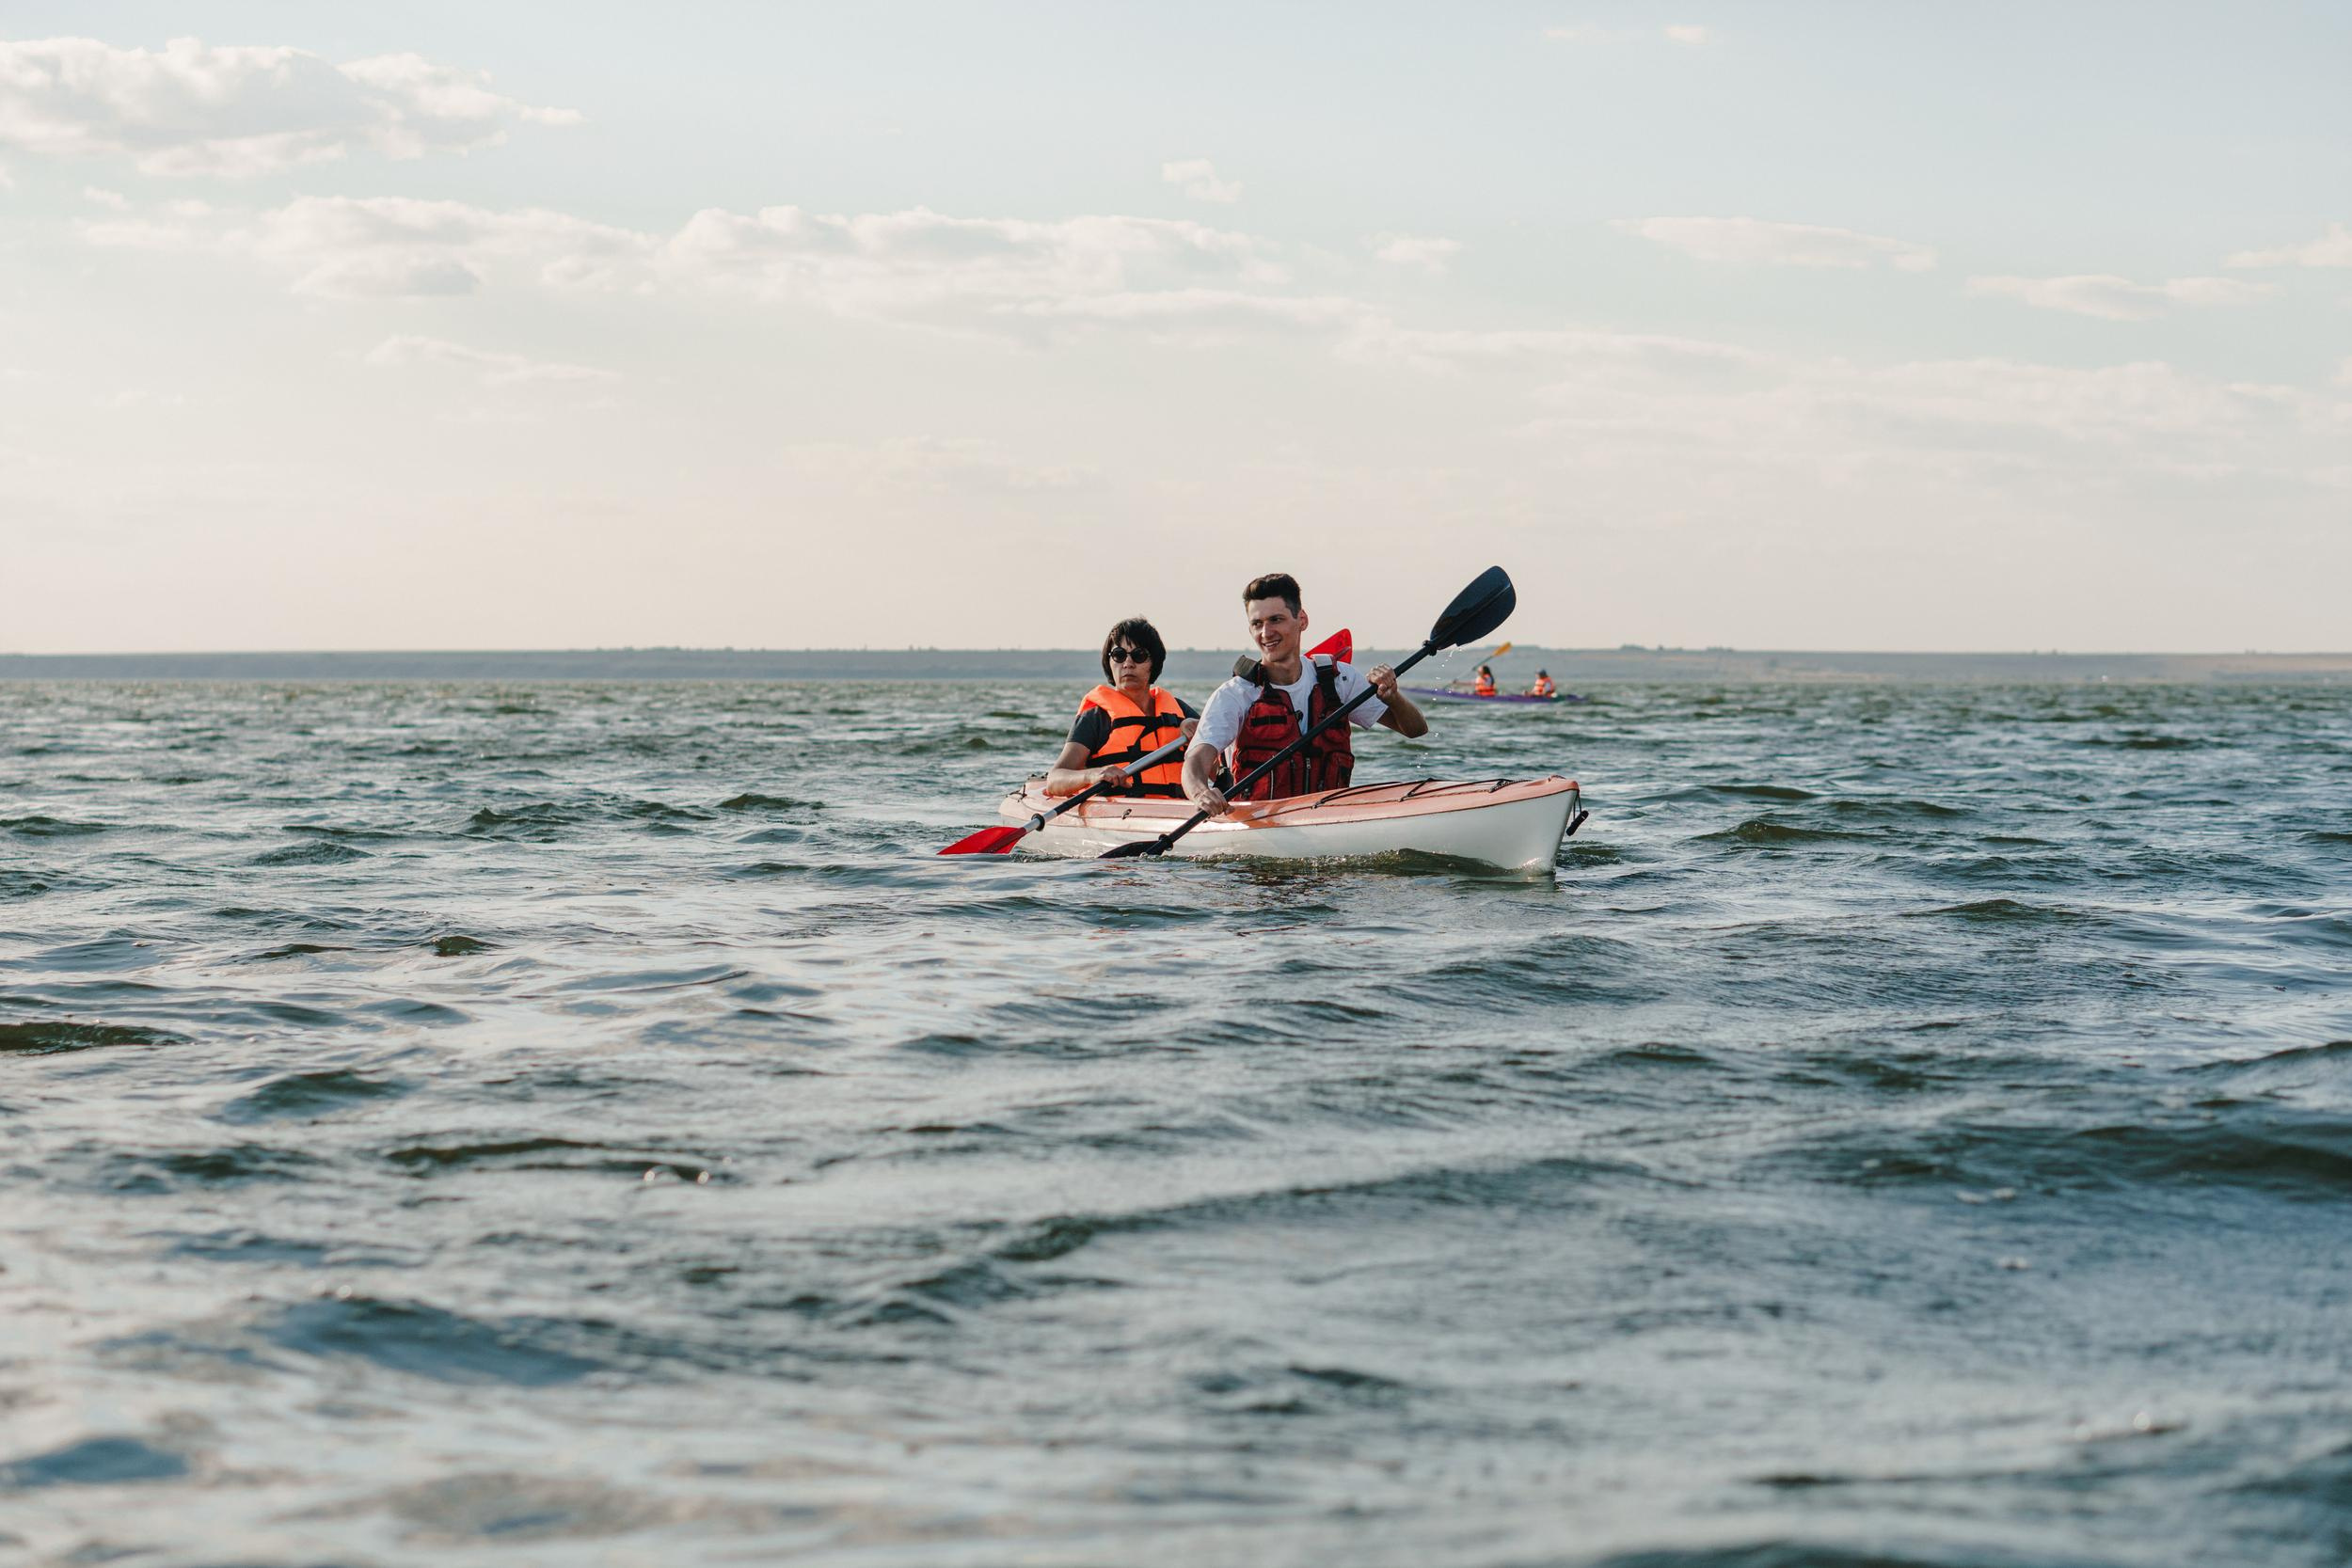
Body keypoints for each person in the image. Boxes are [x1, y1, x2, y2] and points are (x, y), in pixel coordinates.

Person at [1182, 573, 1427, 814]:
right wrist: (1201, 793)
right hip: (1258, 821)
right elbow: (1195, 762)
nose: (1265, 633)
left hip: (1326, 814)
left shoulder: (1340, 679)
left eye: (1275, 620)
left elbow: (1415, 730)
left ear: (1302, 620)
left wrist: (1393, 696)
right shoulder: (1236, 694)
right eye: (1257, 624)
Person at [1044, 618, 1198, 798]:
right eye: (1119, 655)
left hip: (1176, 813)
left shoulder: (1180, 711)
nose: (1127, 663)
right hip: (1120, 815)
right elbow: (1055, 779)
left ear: (1153, 663)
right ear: (1109, 662)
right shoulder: (1096, 718)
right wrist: (1093, 774)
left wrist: (1199, 737)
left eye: (1139, 656)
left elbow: (1218, 770)